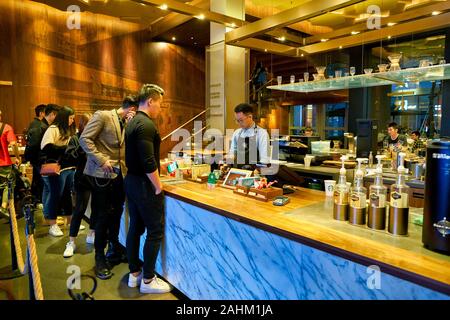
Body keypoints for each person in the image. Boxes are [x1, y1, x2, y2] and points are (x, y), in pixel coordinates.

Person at [79, 95, 137, 280]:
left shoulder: (125, 122)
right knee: (102, 215)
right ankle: (99, 257)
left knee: (117, 211)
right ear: (131, 108)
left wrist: (130, 126)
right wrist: (101, 159)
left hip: (120, 175)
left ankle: (114, 246)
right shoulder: (103, 116)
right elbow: (84, 139)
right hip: (101, 174)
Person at [124, 84, 171, 294]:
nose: (160, 108)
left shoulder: (132, 122)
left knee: (135, 227)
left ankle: (135, 274)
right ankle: (149, 280)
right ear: (150, 101)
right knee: (155, 230)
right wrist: (158, 186)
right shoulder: (147, 125)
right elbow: (148, 161)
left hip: (132, 181)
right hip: (144, 185)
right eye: (159, 104)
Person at [40, 106, 76, 236]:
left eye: (73, 118)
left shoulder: (68, 130)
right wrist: (65, 149)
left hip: (68, 168)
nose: (72, 120)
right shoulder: (53, 129)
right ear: (64, 117)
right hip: (56, 167)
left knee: (67, 195)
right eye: (70, 118)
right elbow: (45, 147)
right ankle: (52, 224)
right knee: (55, 195)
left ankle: (71, 221)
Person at [63, 113, 96, 258]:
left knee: (97, 207)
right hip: (82, 179)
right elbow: (70, 157)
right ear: (83, 125)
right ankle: (71, 241)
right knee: (79, 210)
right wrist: (83, 147)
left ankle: (92, 232)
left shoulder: (96, 139)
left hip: (97, 178)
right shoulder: (76, 139)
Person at [24, 104, 59, 207]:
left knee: (40, 183)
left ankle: (39, 204)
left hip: (39, 160)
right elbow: (34, 145)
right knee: (44, 185)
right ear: (52, 114)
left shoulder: (40, 125)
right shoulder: (40, 126)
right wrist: (32, 159)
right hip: (40, 160)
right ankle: (41, 205)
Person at [228, 103, 270, 171]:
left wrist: (258, 172)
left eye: (241, 120)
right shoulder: (237, 133)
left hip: (255, 174)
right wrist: (227, 159)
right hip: (239, 172)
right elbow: (232, 153)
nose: (239, 123)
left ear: (250, 117)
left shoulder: (262, 134)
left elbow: (265, 160)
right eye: (237, 120)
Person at [0, 110, 20, 220]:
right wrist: (17, 157)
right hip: (3, 164)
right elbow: (13, 144)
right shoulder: (6, 128)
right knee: (8, 184)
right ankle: (3, 207)